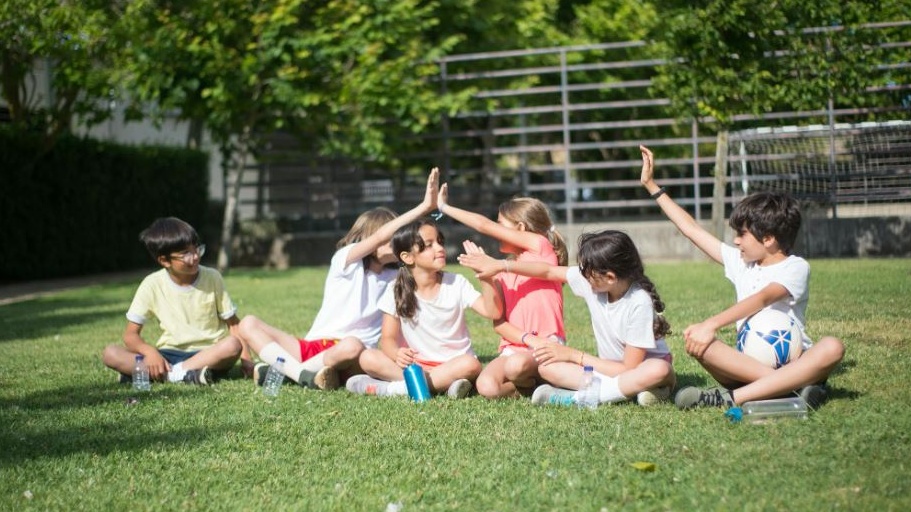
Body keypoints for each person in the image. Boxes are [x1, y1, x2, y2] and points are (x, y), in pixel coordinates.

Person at [638, 145, 845, 409]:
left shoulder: (796, 267)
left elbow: (763, 298)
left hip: (794, 360)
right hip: (748, 365)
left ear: (768, 239)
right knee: (697, 342)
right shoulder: (741, 262)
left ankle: (735, 398)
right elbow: (690, 229)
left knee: (832, 347)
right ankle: (792, 387)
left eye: (742, 234)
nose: (735, 241)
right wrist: (651, 185)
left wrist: (711, 323)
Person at [238, 168, 440, 390]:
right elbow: (380, 236)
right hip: (312, 347)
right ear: (370, 238)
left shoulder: (397, 278)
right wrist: (423, 207)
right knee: (248, 323)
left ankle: (286, 373)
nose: (395, 242)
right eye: (391, 236)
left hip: (352, 355)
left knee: (352, 345)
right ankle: (303, 375)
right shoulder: (346, 261)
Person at [460, 230, 676, 406]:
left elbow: (628, 369)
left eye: (588, 272)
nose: (582, 275)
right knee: (547, 368)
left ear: (610, 277)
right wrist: (501, 265)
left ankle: (578, 398)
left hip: (637, 370)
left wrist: (573, 355)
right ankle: (634, 393)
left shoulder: (639, 302)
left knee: (659, 369)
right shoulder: (593, 283)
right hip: (607, 370)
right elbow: (547, 272)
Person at [434, 184, 568, 399]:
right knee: (487, 386)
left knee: (515, 366)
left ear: (521, 228)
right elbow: (498, 320)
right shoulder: (501, 270)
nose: (496, 229)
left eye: (501, 225)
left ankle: (549, 376)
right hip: (516, 347)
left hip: (547, 345)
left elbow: (482, 225)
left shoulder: (540, 246)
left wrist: (443, 207)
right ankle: (534, 386)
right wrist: (485, 274)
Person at [346, 219, 502, 398]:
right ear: (407, 257)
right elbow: (387, 339)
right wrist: (397, 353)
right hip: (416, 366)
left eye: (440, 242)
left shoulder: (456, 283)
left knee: (471, 365)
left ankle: (397, 389)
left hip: (453, 364)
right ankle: (439, 385)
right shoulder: (395, 289)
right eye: (429, 245)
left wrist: (485, 277)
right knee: (368, 357)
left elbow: (492, 312)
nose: (439, 248)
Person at [101, 217, 248, 385]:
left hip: (210, 354)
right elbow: (130, 335)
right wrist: (150, 353)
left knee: (232, 345)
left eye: (196, 249)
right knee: (110, 353)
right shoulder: (151, 284)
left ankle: (162, 375)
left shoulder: (212, 277)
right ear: (164, 260)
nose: (194, 257)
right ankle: (187, 375)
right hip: (168, 354)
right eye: (185, 254)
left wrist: (246, 360)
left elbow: (234, 325)